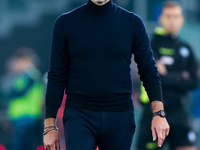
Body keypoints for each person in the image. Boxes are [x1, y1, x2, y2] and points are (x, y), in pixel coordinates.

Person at [43, 0, 170, 150]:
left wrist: (159, 113)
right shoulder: (65, 23)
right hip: (79, 114)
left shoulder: (132, 22)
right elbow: (57, 75)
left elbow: (148, 69)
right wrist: (49, 126)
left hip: (120, 115)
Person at [136, 1, 198, 150]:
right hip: (153, 112)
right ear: (161, 19)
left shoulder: (186, 49)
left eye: (176, 16)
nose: (172, 20)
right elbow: (153, 77)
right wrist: (180, 77)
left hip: (178, 111)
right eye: (168, 16)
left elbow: (194, 82)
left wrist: (167, 75)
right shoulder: (150, 45)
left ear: (182, 20)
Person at [1, 47, 44, 150]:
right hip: (21, 117)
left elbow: (13, 93)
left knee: (21, 146)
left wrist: (12, 73)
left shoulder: (30, 75)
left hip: (27, 117)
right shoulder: (25, 76)